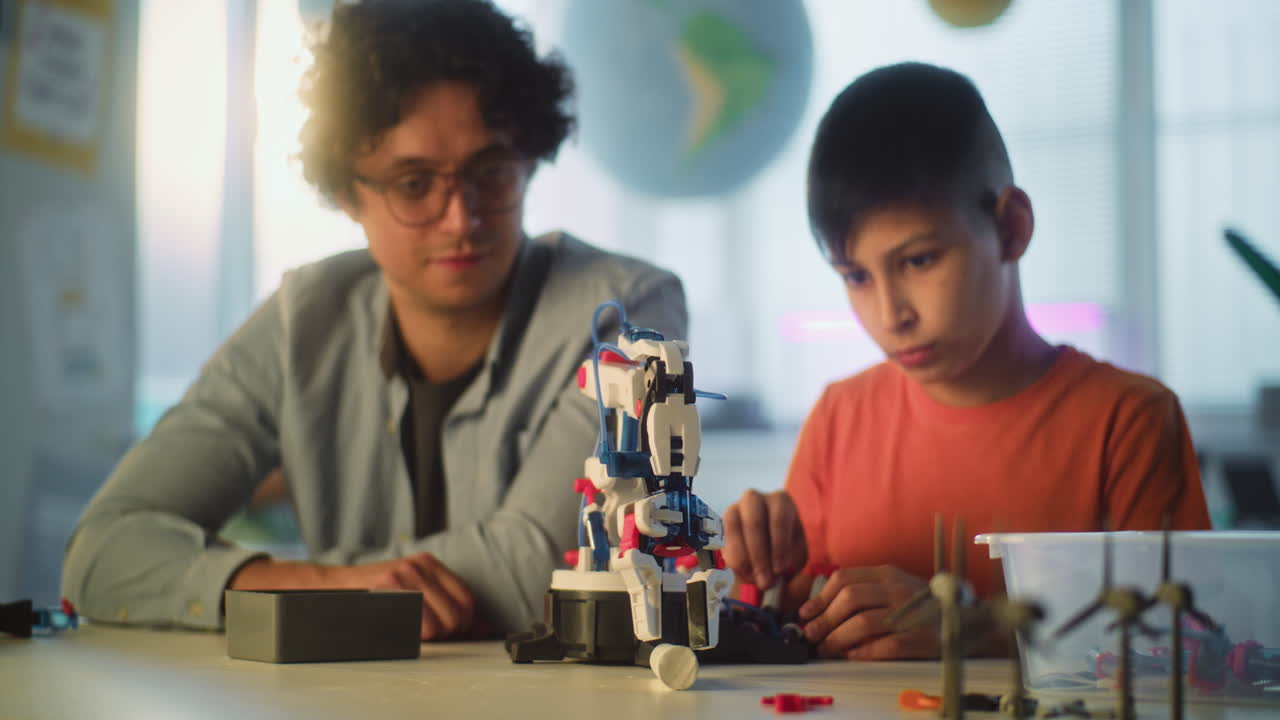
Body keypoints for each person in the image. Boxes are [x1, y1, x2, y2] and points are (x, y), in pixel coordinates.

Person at [62, 0, 686, 641]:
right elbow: (102, 552)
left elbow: (542, 568)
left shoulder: (628, 313)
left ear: (528, 162)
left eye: (491, 173)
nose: (461, 218)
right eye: (414, 183)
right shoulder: (300, 322)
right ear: (346, 193)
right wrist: (317, 584)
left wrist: (295, 590)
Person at [721, 62, 1210, 661]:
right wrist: (763, 570)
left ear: (1011, 228)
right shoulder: (839, 417)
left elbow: (1188, 655)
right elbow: (789, 634)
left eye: (919, 261)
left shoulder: (1129, 421)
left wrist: (978, 631)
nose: (890, 314)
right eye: (855, 276)